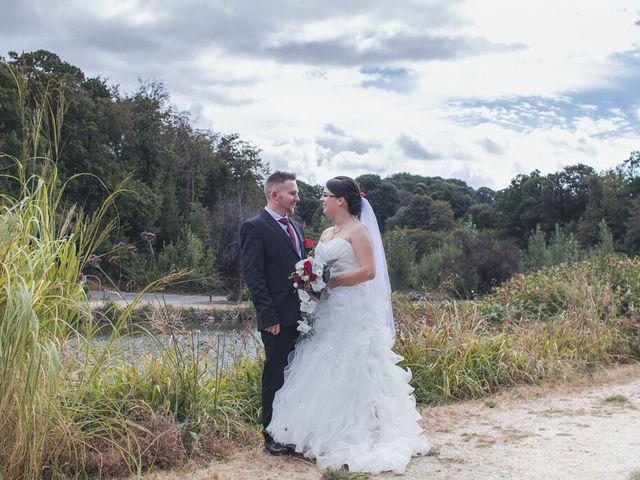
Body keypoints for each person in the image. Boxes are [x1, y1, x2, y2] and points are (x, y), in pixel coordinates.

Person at [267, 176, 429, 473]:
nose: (322, 200)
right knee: (321, 365)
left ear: (341, 200)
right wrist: (312, 279)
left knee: (353, 366)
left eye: (326, 195)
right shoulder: (329, 232)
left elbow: (368, 272)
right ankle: (314, 435)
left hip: (351, 309)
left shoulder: (359, 231)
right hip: (326, 310)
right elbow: (318, 266)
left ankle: (356, 435)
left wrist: (331, 281)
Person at [239, 171, 307, 455]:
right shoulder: (254, 227)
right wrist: (269, 317)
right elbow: (254, 278)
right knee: (275, 375)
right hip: (277, 319)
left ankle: (291, 431)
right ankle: (270, 436)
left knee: (297, 374)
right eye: (292, 193)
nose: (297, 197)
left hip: (302, 315)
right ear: (274, 194)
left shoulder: (297, 226)